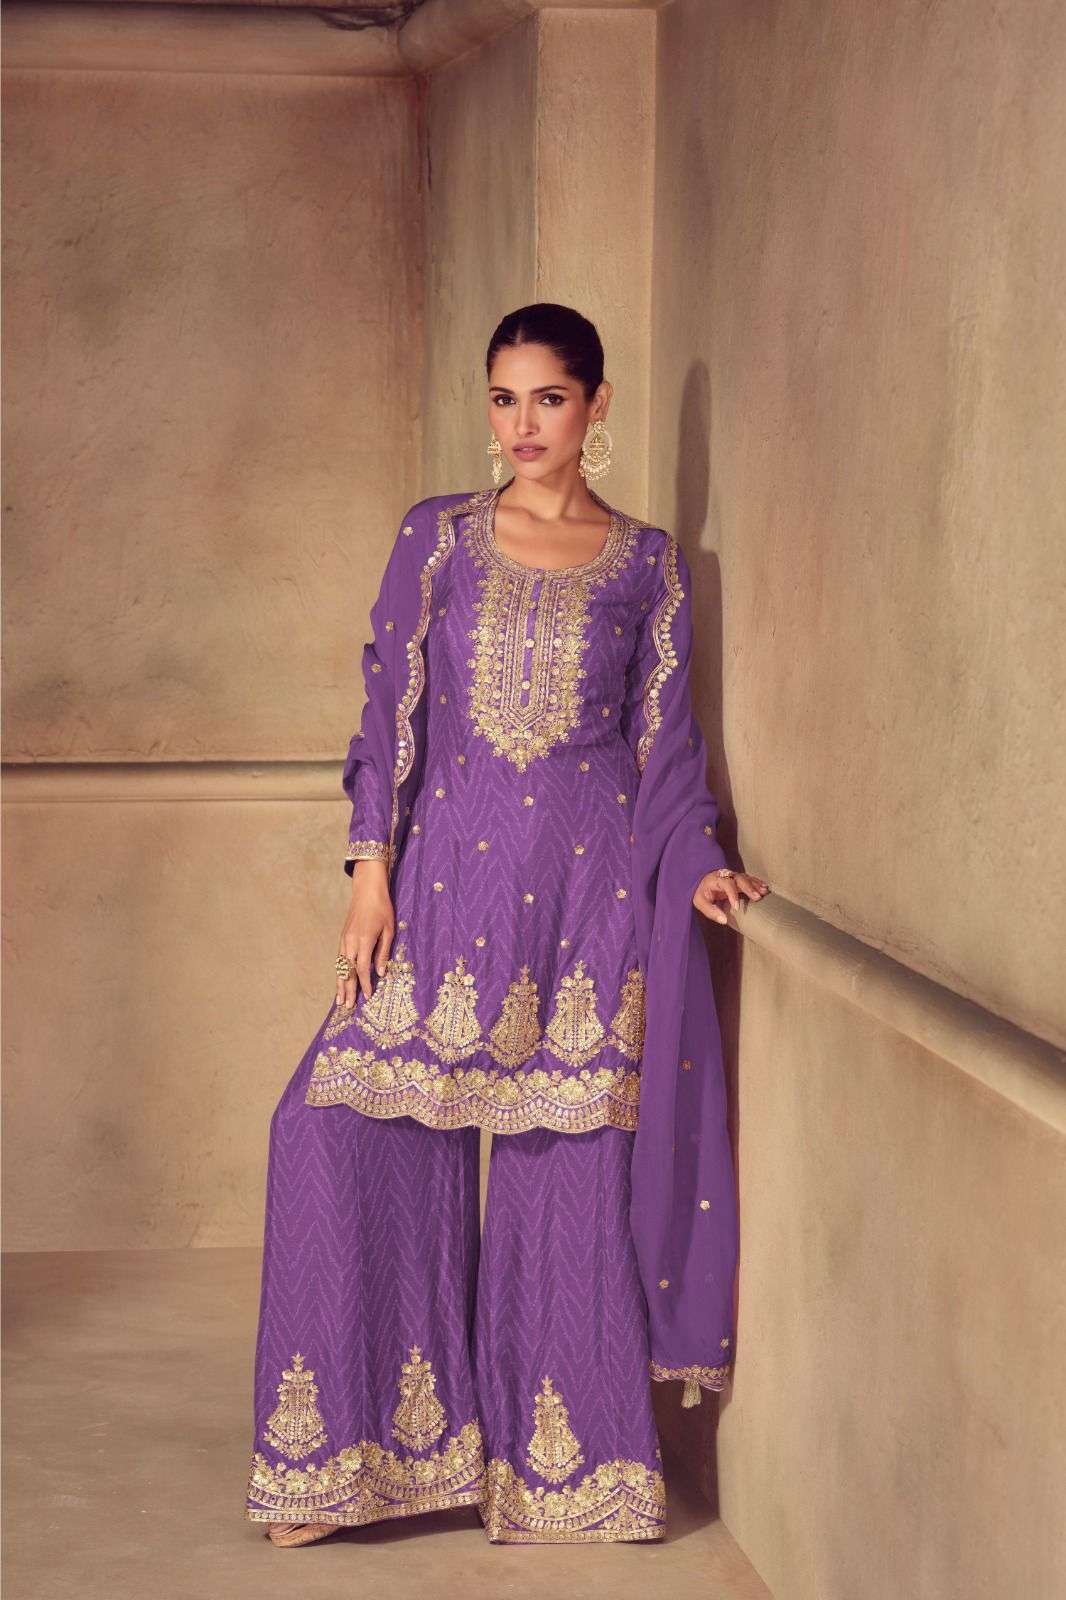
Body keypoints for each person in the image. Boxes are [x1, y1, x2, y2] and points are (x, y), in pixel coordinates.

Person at [243, 303, 770, 1548]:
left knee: (565, 1183)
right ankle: (355, 1464)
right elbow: (390, 710)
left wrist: (698, 865)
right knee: (328, 1130)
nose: (521, 424)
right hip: (441, 893)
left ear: (595, 404)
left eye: (547, 397)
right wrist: (368, 870)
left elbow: (664, 746)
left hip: (586, 907)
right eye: (502, 398)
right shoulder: (437, 538)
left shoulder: (646, 565)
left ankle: (563, 1476)